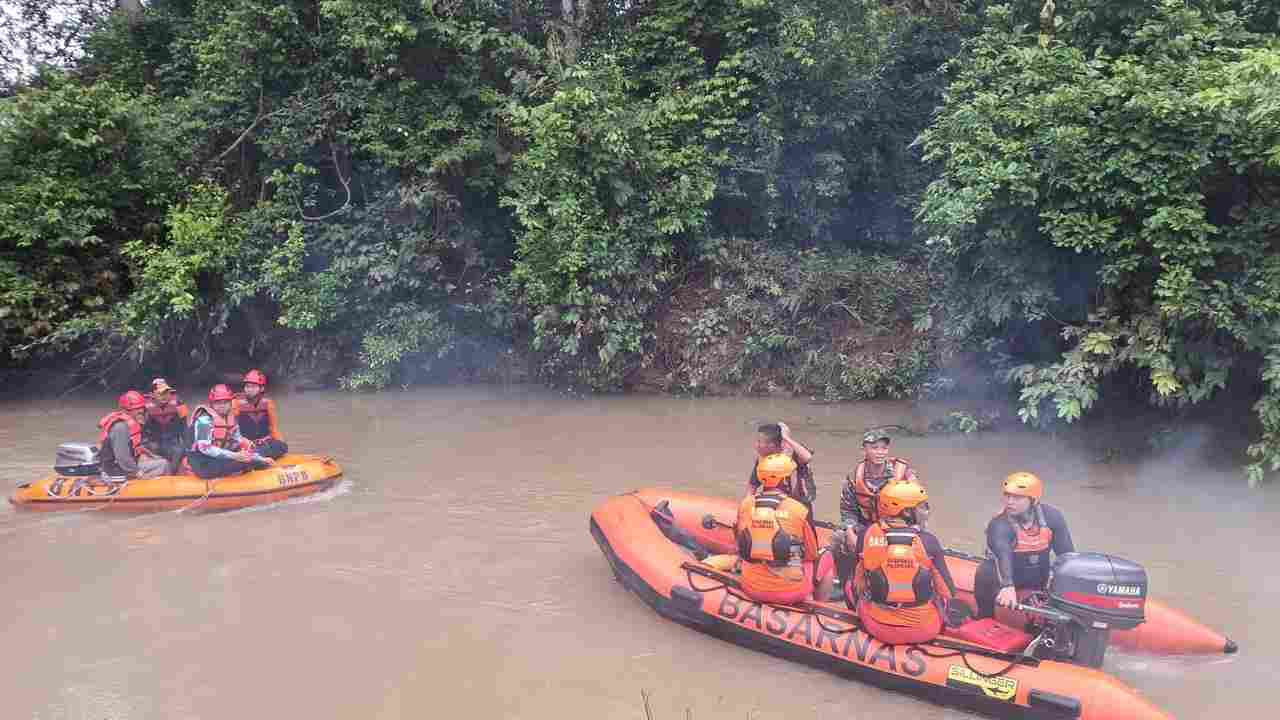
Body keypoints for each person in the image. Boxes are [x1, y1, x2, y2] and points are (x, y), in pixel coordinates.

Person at [846, 479, 956, 645]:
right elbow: (948, 591)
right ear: (904, 512)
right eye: (921, 507)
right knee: (941, 596)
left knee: (850, 583)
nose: (925, 511)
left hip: (877, 626)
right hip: (923, 629)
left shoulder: (865, 535)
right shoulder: (929, 541)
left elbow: (857, 584)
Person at [974, 471, 1075, 619]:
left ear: (1033, 500)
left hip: (1039, 578)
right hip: (1008, 576)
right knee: (985, 571)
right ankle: (985, 617)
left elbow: (1067, 556)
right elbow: (1002, 555)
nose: (1009, 501)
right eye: (1007, 496)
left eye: (1017, 497)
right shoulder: (999, 524)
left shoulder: (1053, 517)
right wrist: (1007, 586)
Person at [829, 429, 918, 589]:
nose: (880, 452)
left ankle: (907, 585)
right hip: (868, 525)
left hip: (896, 526)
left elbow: (918, 507)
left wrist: (913, 529)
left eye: (883, 448)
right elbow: (847, 510)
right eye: (874, 448)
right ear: (864, 450)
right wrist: (850, 532)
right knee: (838, 537)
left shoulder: (903, 473)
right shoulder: (854, 476)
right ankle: (846, 585)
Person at [733, 453, 820, 605]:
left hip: (750, 586)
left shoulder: (746, 505)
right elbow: (811, 555)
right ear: (784, 480)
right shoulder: (799, 510)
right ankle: (816, 604)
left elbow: (741, 544)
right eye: (792, 475)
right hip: (788, 592)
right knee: (825, 557)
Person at [183, 384, 274, 479]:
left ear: (230, 403)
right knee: (244, 463)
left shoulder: (231, 419)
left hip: (217, 458)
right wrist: (235, 456)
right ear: (212, 404)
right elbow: (205, 449)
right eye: (218, 402)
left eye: (225, 402)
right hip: (202, 463)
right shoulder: (204, 420)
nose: (222, 406)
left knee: (252, 461)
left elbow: (239, 441)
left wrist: (260, 458)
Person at [98, 390, 169, 480]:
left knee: (162, 463)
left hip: (124, 468)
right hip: (116, 472)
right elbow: (122, 458)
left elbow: (133, 446)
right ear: (126, 410)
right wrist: (139, 473)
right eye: (137, 409)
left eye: (142, 408)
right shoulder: (120, 428)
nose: (141, 412)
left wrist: (149, 454)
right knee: (162, 466)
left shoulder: (128, 424)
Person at [746, 422, 815, 507]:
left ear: (771, 445)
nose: (756, 445)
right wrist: (746, 507)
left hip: (797, 505)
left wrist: (786, 438)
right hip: (774, 503)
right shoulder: (762, 461)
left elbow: (807, 457)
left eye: (760, 442)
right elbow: (752, 487)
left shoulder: (793, 455)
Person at [232, 369, 289, 459]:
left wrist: (280, 442)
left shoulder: (268, 403)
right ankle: (254, 457)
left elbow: (272, 427)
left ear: (261, 388)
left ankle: (259, 455)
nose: (249, 389)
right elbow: (232, 429)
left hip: (264, 443)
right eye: (247, 386)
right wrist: (242, 443)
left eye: (253, 387)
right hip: (245, 445)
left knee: (283, 446)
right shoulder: (236, 403)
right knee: (253, 453)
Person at [142, 377, 189, 471]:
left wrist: (188, 446)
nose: (165, 396)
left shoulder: (180, 404)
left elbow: (184, 427)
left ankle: (172, 474)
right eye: (160, 393)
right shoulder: (143, 408)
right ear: (152, 395)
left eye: (167, 392)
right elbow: (141, 430)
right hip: (153, 442)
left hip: (172, 442)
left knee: (179, 450)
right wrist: (146, 444)